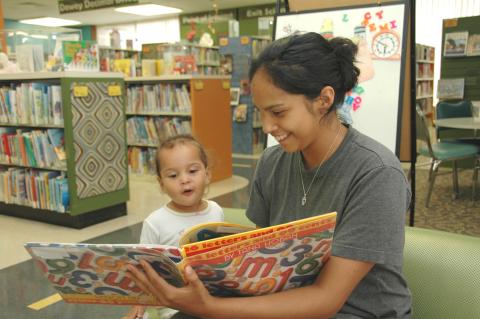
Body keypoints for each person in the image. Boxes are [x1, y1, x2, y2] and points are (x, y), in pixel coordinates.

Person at [127, 32, 412, 318]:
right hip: (287, 301)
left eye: (278, 112)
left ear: (324, 99)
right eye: (261, 112)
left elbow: (327, 299)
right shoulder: (273, 162)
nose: (266, 127)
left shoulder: (377, 174)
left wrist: (212, 307)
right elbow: (263, 261)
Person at [123, 134, 224, 319]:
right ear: (162, 184)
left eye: (192, 171)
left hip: (214, 299)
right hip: (176, 307)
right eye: (173, 175)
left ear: (207, 175)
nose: (184, 180)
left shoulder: (216, 211)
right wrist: (138, 304)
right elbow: (143, 269)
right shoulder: (156, 222)